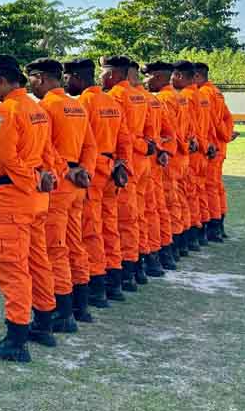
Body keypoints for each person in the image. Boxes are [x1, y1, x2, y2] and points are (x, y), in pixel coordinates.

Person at [0, 55, 56, 363]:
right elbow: (48, 154)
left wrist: (33, 181)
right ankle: (44, 324)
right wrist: (47, 178)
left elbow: (9, 159)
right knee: (38, 260)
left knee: (13, 266)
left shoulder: (6, 112)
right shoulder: (37, 109)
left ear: (2, 81)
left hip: (13, 197)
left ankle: (16, 338)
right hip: (35, 199)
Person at [26, 58, 97, 332]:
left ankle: (62, 312)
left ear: (42, 78)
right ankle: (81, 306)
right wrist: (85, 171)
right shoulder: (77, 106)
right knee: (74, 244)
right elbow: (91, 145)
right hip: (78, 185)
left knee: (54, 249)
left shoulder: (45, 107)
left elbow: (46, 148)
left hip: (58, 185)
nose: (30, 84)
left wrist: (66, 171)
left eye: (31, 78)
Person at [64, 58, 131, 308]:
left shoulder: (83, 103)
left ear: (79, 79)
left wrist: (84, 171)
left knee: (89, 230)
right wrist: (122, 164)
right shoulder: (112, 102)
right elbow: (124, 138)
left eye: (68, 78)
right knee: (109, 227)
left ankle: (95, 287)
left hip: (92, 171)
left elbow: (83, 142)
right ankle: (114, 282)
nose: (65, 82)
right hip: (112, 169)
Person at [102, 56, 149, 291]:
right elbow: (148, 131)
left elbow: (123, 135)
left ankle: (122, 274)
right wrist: (150, 146)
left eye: (103, 72)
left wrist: (134, 151)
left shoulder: (115, 97)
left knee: (117, 221)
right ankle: (136, 268)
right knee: (136, 216)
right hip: (141, 163)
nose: (100, 77)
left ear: (113, 74)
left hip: (124, 164)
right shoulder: (142, 95)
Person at [144, 62, 182, 271]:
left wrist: (159, 150)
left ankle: (162, 254)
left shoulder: (162, 99)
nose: (145, 81)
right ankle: (171, 251)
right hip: (174, 155)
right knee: (167, 205)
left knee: (155, 207)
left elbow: (165, 132)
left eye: (148, 76)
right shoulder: (178, 97)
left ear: (158, 77)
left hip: (157, 160)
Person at [195, 62, 235, 241]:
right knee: (216, 187)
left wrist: (210, 141)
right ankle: (218, 225)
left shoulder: (204, 93)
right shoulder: (217, 92)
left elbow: (210, 122)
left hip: (209, 148)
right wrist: (226, 136)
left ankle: (211, 227)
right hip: (219, 146)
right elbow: (227, 118)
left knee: (207, 188)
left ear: (197, 76)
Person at [172, 61, 206, 253]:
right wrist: (206, 143)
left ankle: (183, 241)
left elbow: (177, 129)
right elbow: (206, 125)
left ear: (178, 76)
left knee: (177, 198)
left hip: (185, 153)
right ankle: (192, 237)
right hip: (199, 151)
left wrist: (189, 143)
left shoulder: (184, 97)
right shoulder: (203, 95)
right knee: (193, 194)